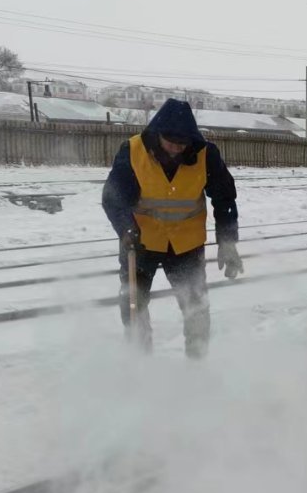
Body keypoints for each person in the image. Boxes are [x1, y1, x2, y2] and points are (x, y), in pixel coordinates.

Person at [101, 98, 243, 358]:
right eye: (171, 142)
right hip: (140, 243)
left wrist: (228, 241)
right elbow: (114, 198)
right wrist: (125, 228)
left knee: (196, 306)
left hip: (186, 245)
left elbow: (224, 197)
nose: (177, 149)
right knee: (134, 304)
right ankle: (140, 359)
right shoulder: (133, 151)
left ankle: (197, 361)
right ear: (158, 135)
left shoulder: (205, 154)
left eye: (182, 144)